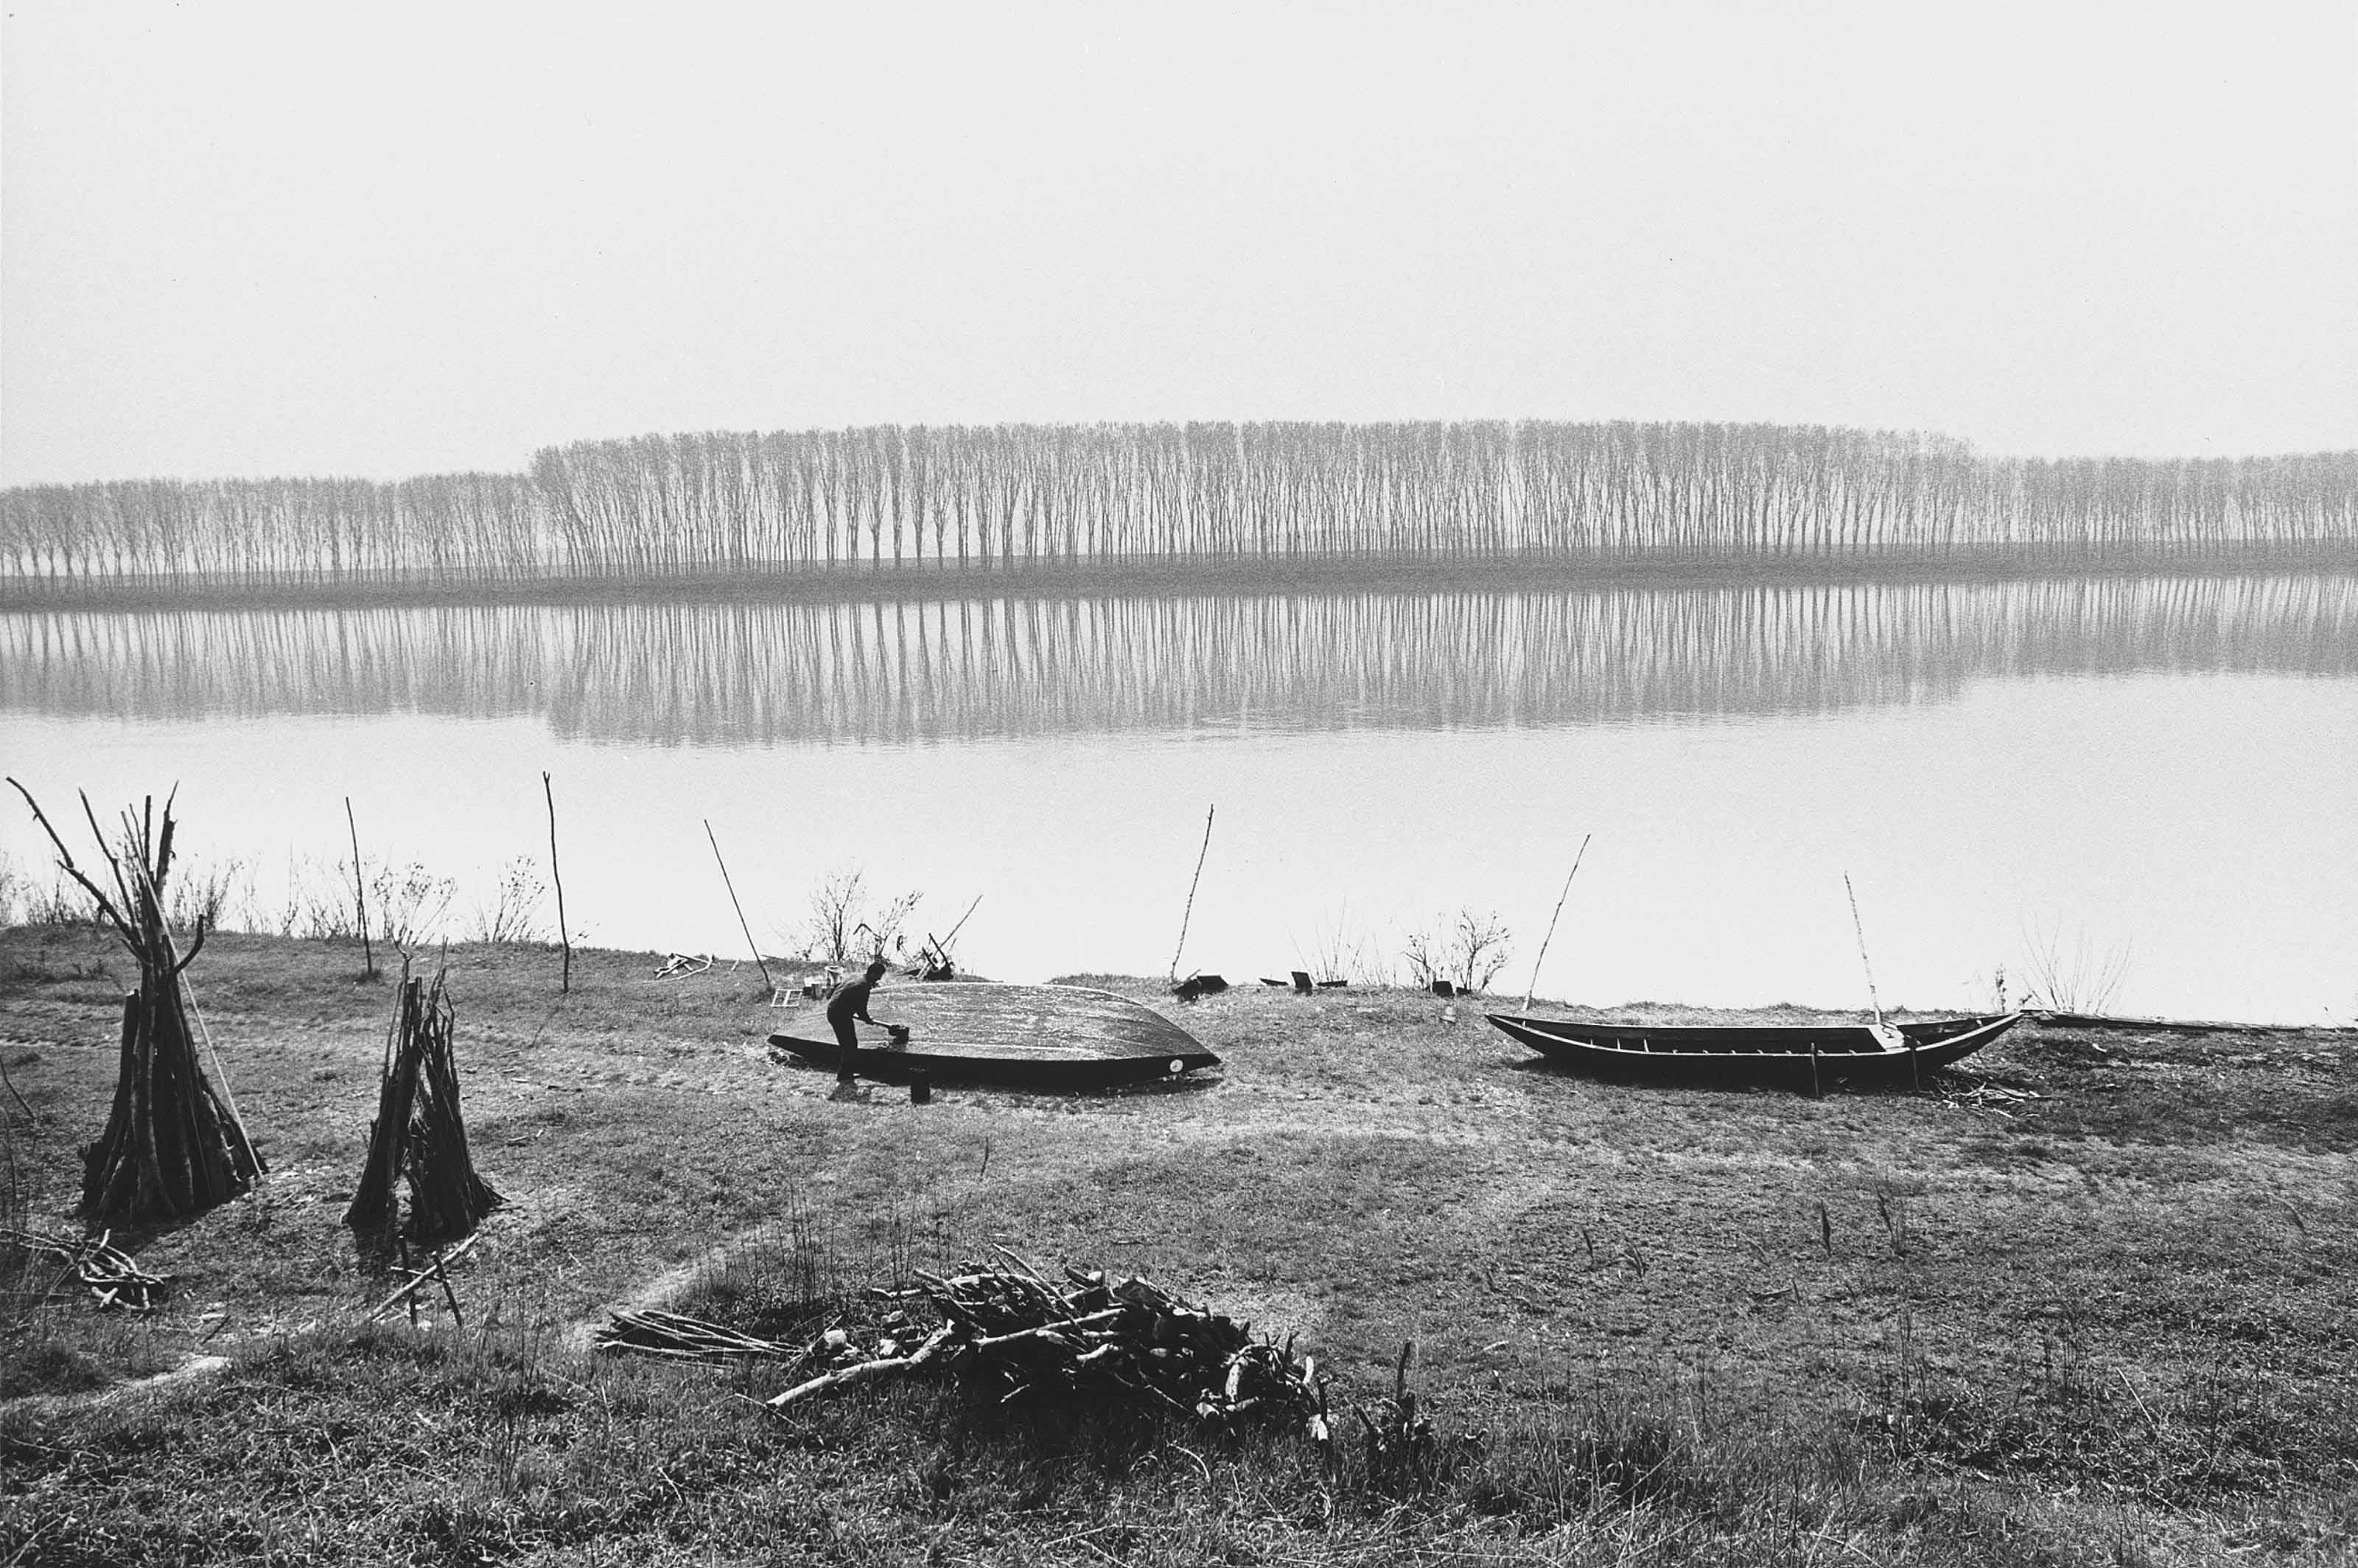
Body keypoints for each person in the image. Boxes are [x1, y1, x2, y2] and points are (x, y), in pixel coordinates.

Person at [825, 958, 895, 1085]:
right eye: (879, 976)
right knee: (850, 1045)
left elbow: (835, 988)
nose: (879, 979)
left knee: (848, 1044)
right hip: (839, 1016)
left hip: (834, 1009)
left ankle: (847, 1072)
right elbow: (861, 1010)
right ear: (872, 973)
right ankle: (844, 1076)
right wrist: (868, 1020)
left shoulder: (855, 977)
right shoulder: (863, 987)